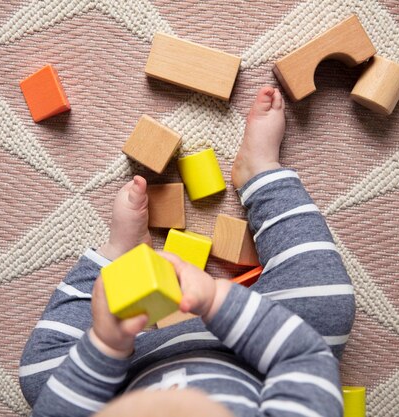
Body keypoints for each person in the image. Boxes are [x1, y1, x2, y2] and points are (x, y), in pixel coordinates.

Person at [19, 86, 355, 417]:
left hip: (124, 374)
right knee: (327, 301)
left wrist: (105, 345)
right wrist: (216, 300)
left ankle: (121, 256)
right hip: (252, 357)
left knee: (40, 379)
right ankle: (260, 171)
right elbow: (304, 359)